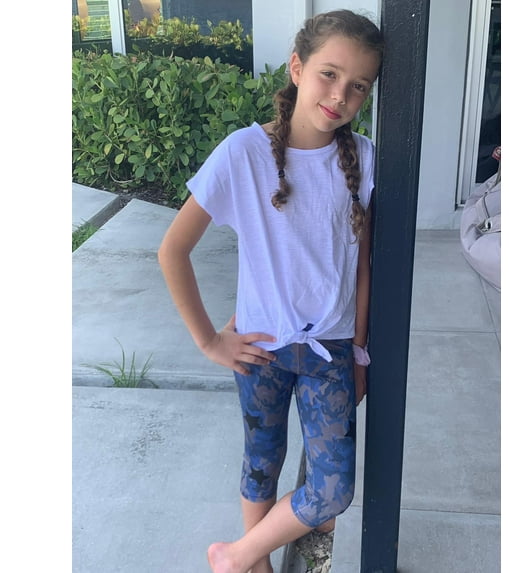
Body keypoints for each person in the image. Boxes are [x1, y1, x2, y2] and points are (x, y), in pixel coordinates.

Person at [158, 9, 383, 573]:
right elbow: (173, 250)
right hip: (261, 348)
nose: (341, 95)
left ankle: (235, 555)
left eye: (359, 85)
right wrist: (210, 341)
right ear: (297, 68)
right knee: (262, 459)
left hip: (331, 352)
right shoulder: (244, 153)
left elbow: (362, 266)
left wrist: (359, 351)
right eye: (329, 74)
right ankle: (252, 561)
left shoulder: (365, 159)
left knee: (332, 489)